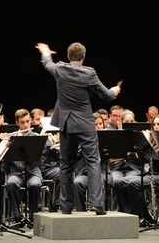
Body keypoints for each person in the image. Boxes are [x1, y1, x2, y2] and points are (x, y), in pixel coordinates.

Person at [35, 42, 120, 215]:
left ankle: (66, 206)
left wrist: (45, 52)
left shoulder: (60, 69)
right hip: (85, 124)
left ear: (68, 57)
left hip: (66, 124)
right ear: (83, 57)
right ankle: (97, 203)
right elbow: (106, 95)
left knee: (66, 165)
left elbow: (47, 64)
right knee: (93, 163)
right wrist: (115, 90)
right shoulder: (89, 73)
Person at [4, 109, 43, 227]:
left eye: (27, 121)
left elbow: (44, 154)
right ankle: (17, 217)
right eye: (22, 122)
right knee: (11, 183)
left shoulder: (37, 137)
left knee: (35, 184)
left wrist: (47, 141)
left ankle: (32, 217)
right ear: (17, 123)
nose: (26, 125)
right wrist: (3, 144)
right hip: (16, 173)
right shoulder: (11, 138)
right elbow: (5, 159)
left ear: (31, 121)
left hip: (33, 173)